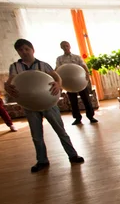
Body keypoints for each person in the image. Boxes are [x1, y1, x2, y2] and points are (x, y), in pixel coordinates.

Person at [5, 39, 84, 173]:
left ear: (32, 49)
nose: (24, 52)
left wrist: (58, 84)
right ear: (17, 52)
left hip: (48, 103)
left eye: (26, 49)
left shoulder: (43, 65)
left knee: (61, 131)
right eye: (20, 50)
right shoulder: (15, 67)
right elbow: (10, 82)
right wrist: (7, 87)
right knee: (36, 135)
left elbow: (56, 77)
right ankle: (42, 160)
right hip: (30, 105)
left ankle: (72, 155)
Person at [56, 41, 98, 125]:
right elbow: (58, 68)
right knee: (73, 101)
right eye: (63, 46)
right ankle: (77, 118)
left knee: (86, 99)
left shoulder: (77, 57)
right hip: (69, 83)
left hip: (80, 81)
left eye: (67, 45)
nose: (65, 47)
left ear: (69, 46)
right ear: (61, 47)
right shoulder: (59, 59)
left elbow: (83, 65)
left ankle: (91, 117)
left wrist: (87, 73)